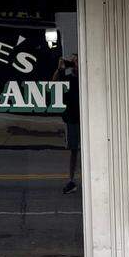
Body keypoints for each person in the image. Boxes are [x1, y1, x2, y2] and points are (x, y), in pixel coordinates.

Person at [57, 55, 80, 194]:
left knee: (86, 151)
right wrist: (60, 69)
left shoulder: (84, 78)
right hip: (72, 119)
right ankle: (71, 181)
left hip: (86, 118)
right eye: (72, 61)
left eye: (76, 61)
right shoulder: (69, 78)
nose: (73, 63)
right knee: (74, 150)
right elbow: (54, 85)